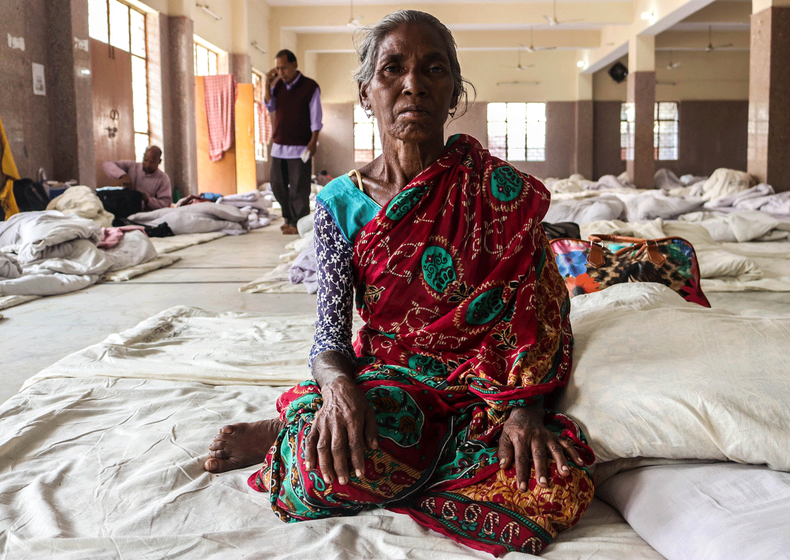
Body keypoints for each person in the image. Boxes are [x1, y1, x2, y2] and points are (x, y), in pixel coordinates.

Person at [205, 10, 594, 556]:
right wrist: (340, 392)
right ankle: (296, 426)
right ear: (367, 92)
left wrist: (527, 410)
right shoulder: (342, 203)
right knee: (331, 470)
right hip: (397, 378)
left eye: (434, 69)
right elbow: (331, 335)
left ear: (454, 91)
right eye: (393, 69)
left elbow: (542, 306)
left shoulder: (495, 189)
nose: (414, 83)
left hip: (494, 386)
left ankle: (294, 426)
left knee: (550, 489)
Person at [265, 49, 322, 235]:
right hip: (279, 146)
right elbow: (270, 106)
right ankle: (289, 218)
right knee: (277, 185)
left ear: (294, 64)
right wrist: (267, 83)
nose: (281, 72)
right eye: (278, 69)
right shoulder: (277, 85)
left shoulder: (310, 87)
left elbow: (316, 117)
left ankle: (298, 223)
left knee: (299, 187)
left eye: (284, 68)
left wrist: (313, 141)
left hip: (300, 147)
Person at [102, 146, 172, 211]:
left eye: (152, 162)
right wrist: (122, 175)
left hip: (148, 213)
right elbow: (107, 164)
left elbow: (166, 204)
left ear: (159, 161)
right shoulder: (132, 166)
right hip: (126, 209)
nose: (147, 164)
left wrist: (148, 200)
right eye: (145, 160)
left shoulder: (163, 179)